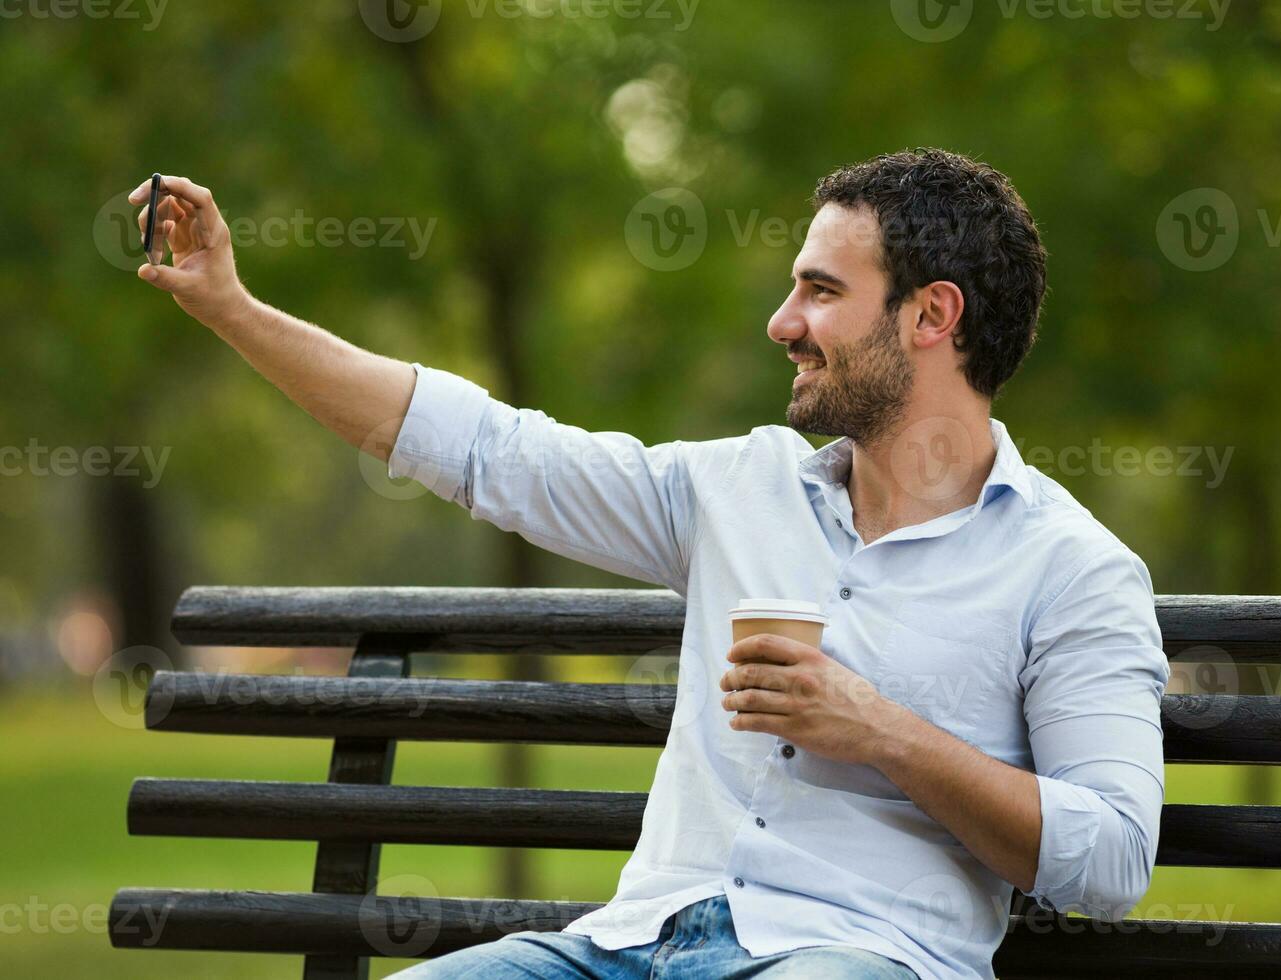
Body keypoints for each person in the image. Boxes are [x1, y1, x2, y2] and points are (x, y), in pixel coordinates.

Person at [126, 149, 1169, 980]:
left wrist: (879, 729)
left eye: (819, 290)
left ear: (931, 315)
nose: (783, 322)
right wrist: (231, 306)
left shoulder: (1070, 569)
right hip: (624, 945)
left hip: (857, 957)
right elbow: (483, 449)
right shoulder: (734, 489)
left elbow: (1113, 855)